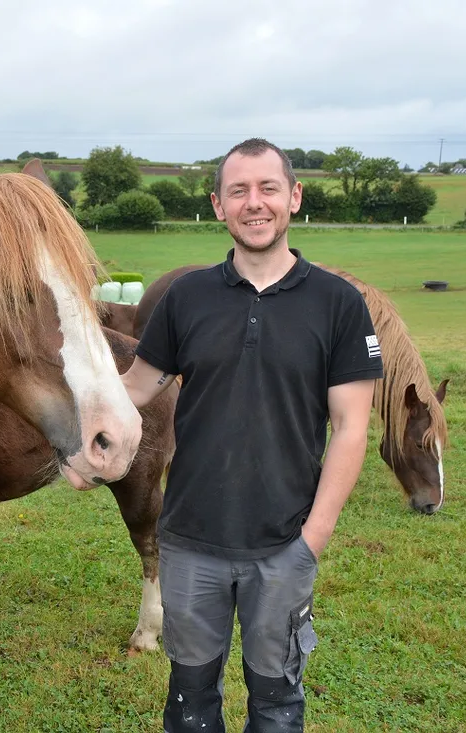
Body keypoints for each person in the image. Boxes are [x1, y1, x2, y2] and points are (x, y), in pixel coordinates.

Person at [120, 138, 383, 731]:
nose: (253, 203)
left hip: (283, 546)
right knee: (190, 702)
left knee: (276, 704)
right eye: (238, 191)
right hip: (189, 544)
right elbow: (135, 389)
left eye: (267, 188)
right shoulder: (187, 297)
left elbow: (351, 428)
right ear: (218, 205)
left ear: (293, 197)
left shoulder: (338, 304)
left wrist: (310, 541)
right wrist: (78, 432)